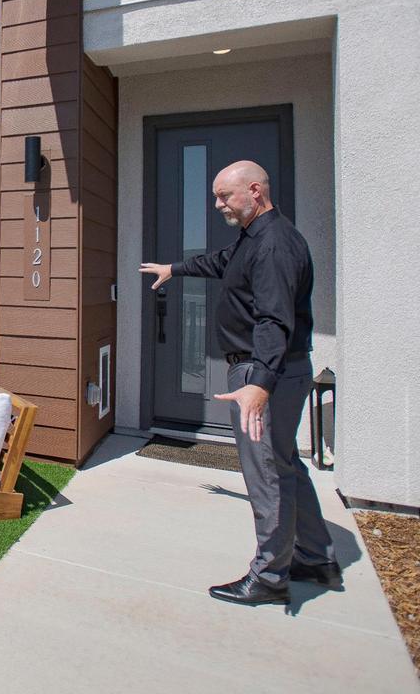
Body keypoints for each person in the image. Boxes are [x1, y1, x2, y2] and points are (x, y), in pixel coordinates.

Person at [139, 160, 339, 606]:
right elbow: (222, 261)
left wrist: (260, 383)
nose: (217, 204)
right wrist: (176, 268)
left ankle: (269, 577)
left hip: (262, 371)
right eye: (214, 196)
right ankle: (316, 557)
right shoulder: (256, 238)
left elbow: (274, 319)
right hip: (268, 370)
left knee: (266, 472)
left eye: (224, 196)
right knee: (284, 463)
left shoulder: (274, 246)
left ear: (255, 191)